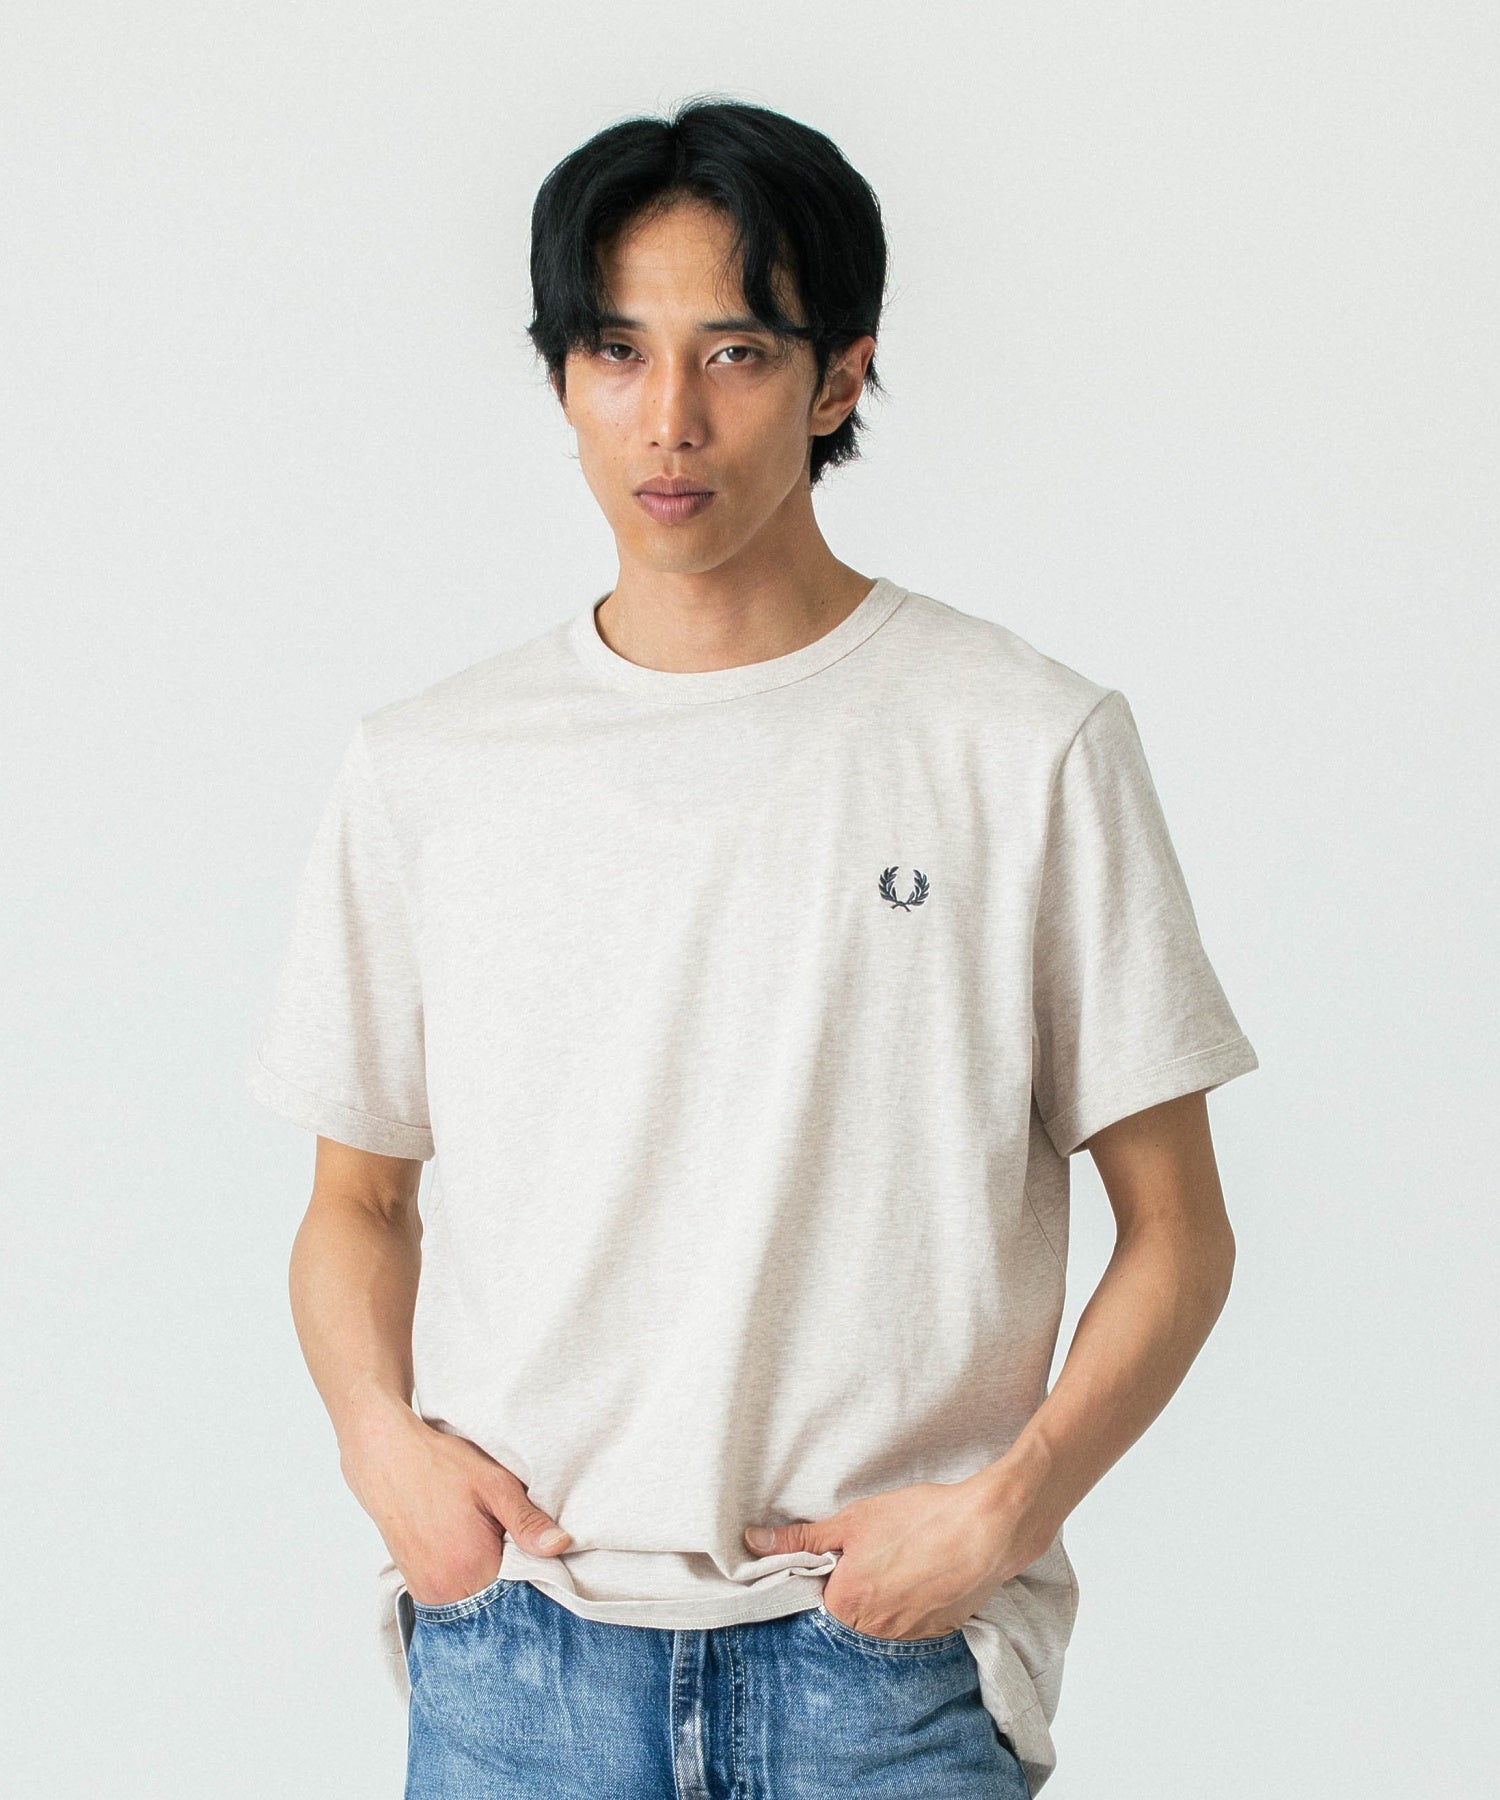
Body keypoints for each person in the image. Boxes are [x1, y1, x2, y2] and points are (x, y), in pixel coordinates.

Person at [246, 96, 1259, 1799]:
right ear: (560, 379)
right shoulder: (431, 765)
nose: (670, 418)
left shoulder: (1022, 743)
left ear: (839, 376)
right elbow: (356, 1200)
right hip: (522, 1660)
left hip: (879, 1666)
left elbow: (1180, 1228)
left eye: (734, 352)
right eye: (616, 351)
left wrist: (1004, 1515)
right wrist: (382, 1453)